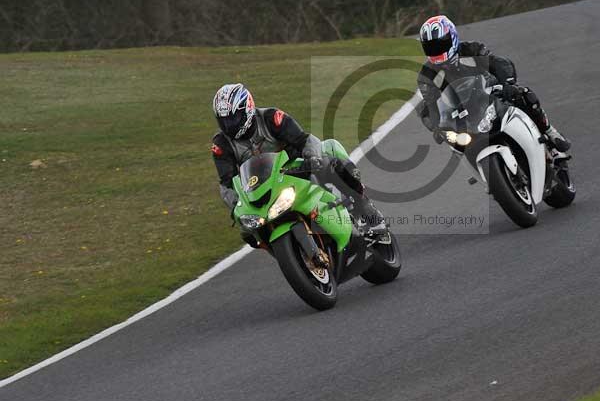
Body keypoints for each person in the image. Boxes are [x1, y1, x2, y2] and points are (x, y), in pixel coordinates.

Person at [210, 83, 386, 248]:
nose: (229, 125)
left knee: (331, 161)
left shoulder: (272, 118)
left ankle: (366, 211)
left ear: (247, 108)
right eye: (224, 121)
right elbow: (227, 182)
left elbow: (304, 139)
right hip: (261, 187)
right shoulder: (221, 145)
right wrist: (235, 206)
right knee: (248, 232)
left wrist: (312, 158)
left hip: (295, 168)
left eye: (233, 119)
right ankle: (290, 251)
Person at [415, 15, 571, 153]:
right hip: (463, 113)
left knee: (524, 95)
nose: (436, 50)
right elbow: (430, 104)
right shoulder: (426, 75)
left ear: (452, 37)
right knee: (455, 143)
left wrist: (508, 83)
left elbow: (499, 63)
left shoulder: (472, 49)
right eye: (431, 47)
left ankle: (550, 131)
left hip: (491, 94)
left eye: (440, 45)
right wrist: (437, 127)